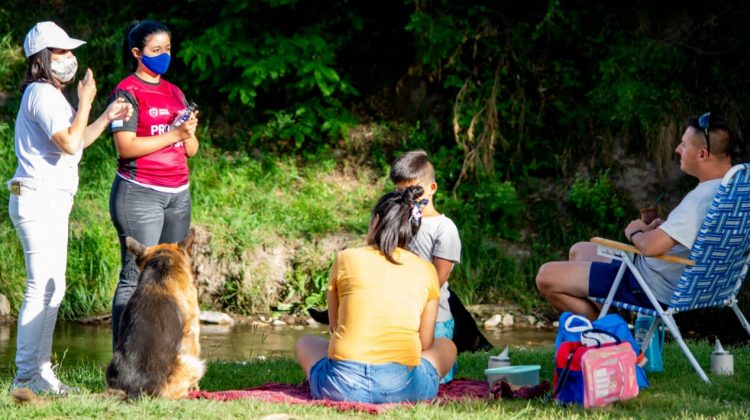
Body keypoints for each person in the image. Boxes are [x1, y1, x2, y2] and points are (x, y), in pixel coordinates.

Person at [9, 21, 132, 395]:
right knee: (40, 288)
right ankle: (28, 375)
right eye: (61, 52)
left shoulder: (47, 95)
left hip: (48, 200)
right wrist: (87, 101)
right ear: (43, 58)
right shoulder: (43, 95)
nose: (69, 59)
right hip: (38, 199)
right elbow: (67, 142)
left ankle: (39, 373)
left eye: (69, 52)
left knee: (52, 286)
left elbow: (75, 142)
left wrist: (104, 117)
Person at [536, 113, 736, 320]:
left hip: (649, 285)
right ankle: (612, 328)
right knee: (580, 250)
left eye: (684, 146)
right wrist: (665, 229)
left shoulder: (700, 199)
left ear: (702, 155)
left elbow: (650, 248)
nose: (677, 149)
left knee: (546, 277)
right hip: (690, 282)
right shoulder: (733, 189)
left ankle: (614, 336)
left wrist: (636, 232)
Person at [295, 186, 458, 403]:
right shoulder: (427, 269)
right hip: (405, 390)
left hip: (341, 388)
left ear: (376, 221)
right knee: (447, 346)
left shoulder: (345, 258)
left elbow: (334, 328)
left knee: (305, 343)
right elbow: (425, 343)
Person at [108, 20, 199, 346]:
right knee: (135, 277)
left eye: (168, 50)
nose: (163, 56)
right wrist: (173, 133)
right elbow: (126, 146)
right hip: (139, 194)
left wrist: (186, 133)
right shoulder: (126, 92)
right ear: (137, 53)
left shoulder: (175, 92)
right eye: (155, 50)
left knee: (172, 277)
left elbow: (191, 149)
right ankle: (124, 363)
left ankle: (164, 357)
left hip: (178, 194)